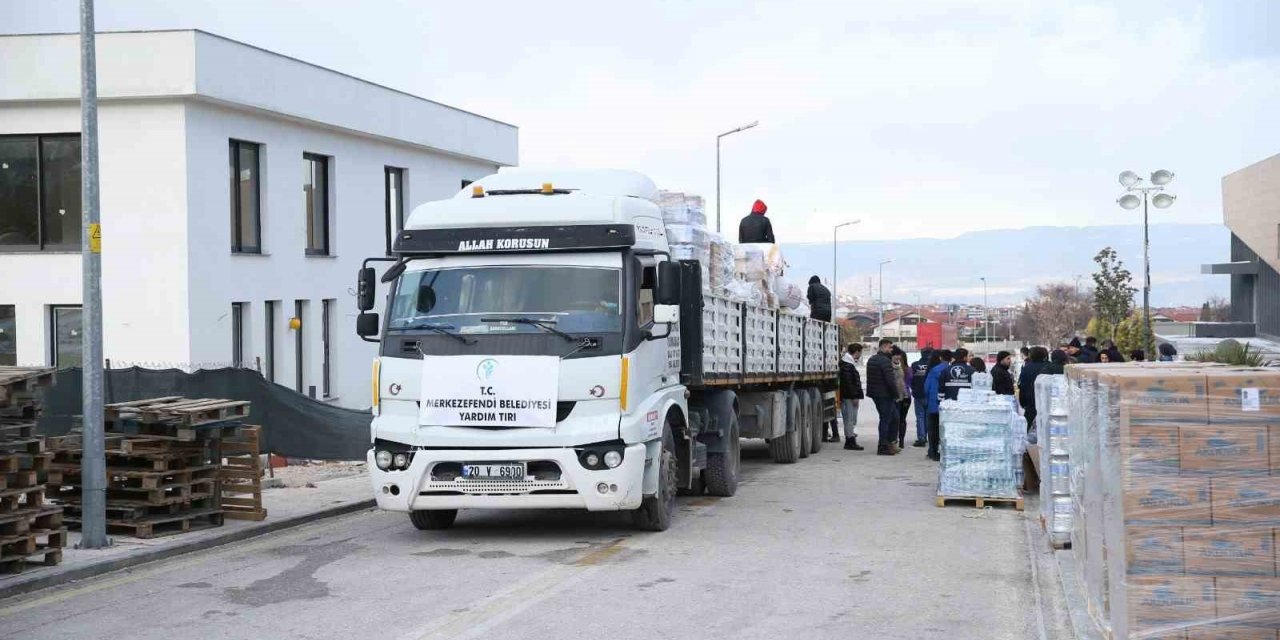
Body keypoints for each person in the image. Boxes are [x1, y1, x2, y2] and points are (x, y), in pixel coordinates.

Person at [864, 339, 902, 456]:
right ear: (884, 347)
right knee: (886, 419)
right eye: (890, 348)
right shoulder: (885, 361)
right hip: (885, 395)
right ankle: (883, 446)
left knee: (894, 417)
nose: (891, 350)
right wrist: (896, 394)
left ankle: (890, 443)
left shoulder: (872, 359)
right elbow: (890, 380)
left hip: (876, 394)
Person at [923, 349, 952, 461]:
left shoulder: (934, 370)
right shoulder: (950, 370)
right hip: (948, 405)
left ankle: (933, 451)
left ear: (941, 358)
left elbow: (926, 387)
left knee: (933, 429)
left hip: (933, 404)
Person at [837, 344, 865, 450]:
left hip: (849, 396)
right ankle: (850, 441)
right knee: (849, 418)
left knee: (851, 418)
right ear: (857, 352)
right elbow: (849, 383)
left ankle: (850, 438)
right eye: (860, 352)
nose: (860, 355)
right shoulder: (847, 365)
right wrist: (854, 396)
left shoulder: (848, 363)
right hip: (849, 396)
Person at [1018, 346, 1050, 430]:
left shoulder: (1027, 368)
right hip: (1047, 400)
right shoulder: (1048, 366)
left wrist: (1023, 401)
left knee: (1026, 425)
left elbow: (1022, 386)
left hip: (1031, 400)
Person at [909, 348, 934, 448]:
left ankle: (921, 438)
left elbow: (911, 379)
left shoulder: (915, 365)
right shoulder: (934, 365)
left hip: (918, 394)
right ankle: (930, 437)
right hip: (930, 395)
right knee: (929, 417)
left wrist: (914, 390)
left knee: (920, 417)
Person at [891, 347, 911, 449]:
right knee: (903, 419)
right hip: (907, 396)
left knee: (895, 419)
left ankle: (894, 439)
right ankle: (901, 441)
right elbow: (910, 383)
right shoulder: (908, 369)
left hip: (897, 396)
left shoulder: (893, 368)